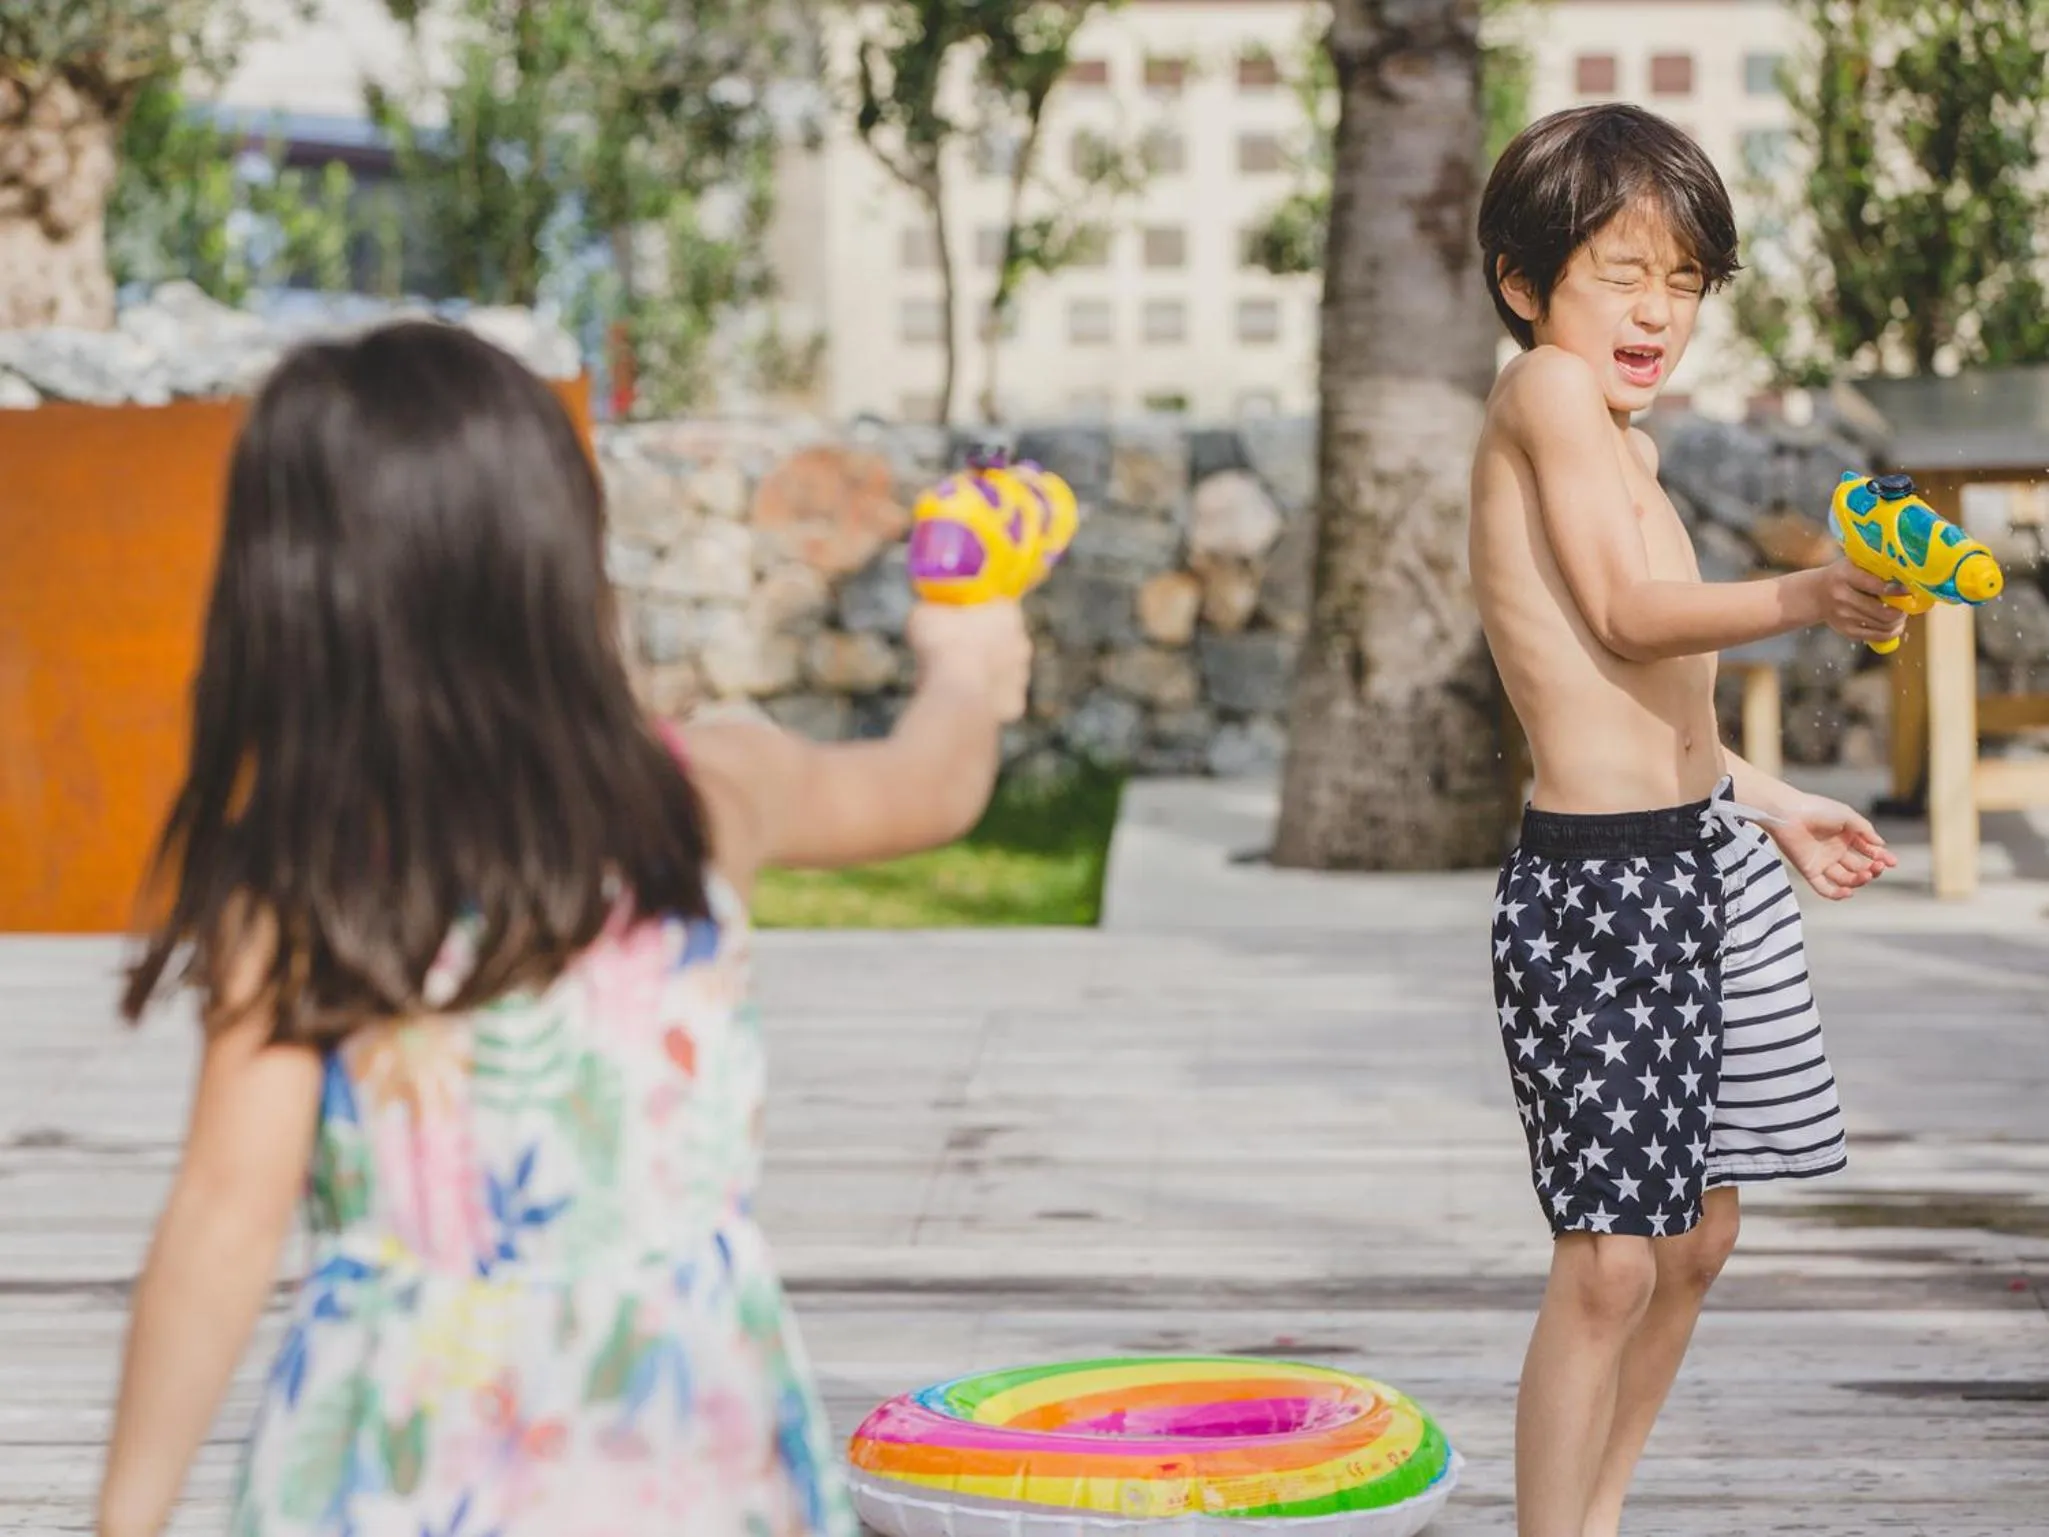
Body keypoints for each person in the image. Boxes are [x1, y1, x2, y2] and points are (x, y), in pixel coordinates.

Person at [96, 321, 1032, 1537]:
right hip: (688, 1444)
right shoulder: (702, 797)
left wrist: (126, 1519)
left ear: (292, 602)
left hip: (402, 1466)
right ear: (559, 559)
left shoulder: (308, 887)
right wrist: (969, 655)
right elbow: (934, 784)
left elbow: (227, 1218)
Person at [1468, 104, 1904, 1537]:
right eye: (1622, 272)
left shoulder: (1624, 444)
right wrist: (1800, 594)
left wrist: (1771, 807)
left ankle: (1593, 1514)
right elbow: (1620, 613)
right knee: (1607, 1257)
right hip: (1596, 893)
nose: (1660, 309)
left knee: (1699, 1235)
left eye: (1687, 281)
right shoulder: (1539, 393)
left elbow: (1652, 704)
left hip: (1695, 863)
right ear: (1528, 283)